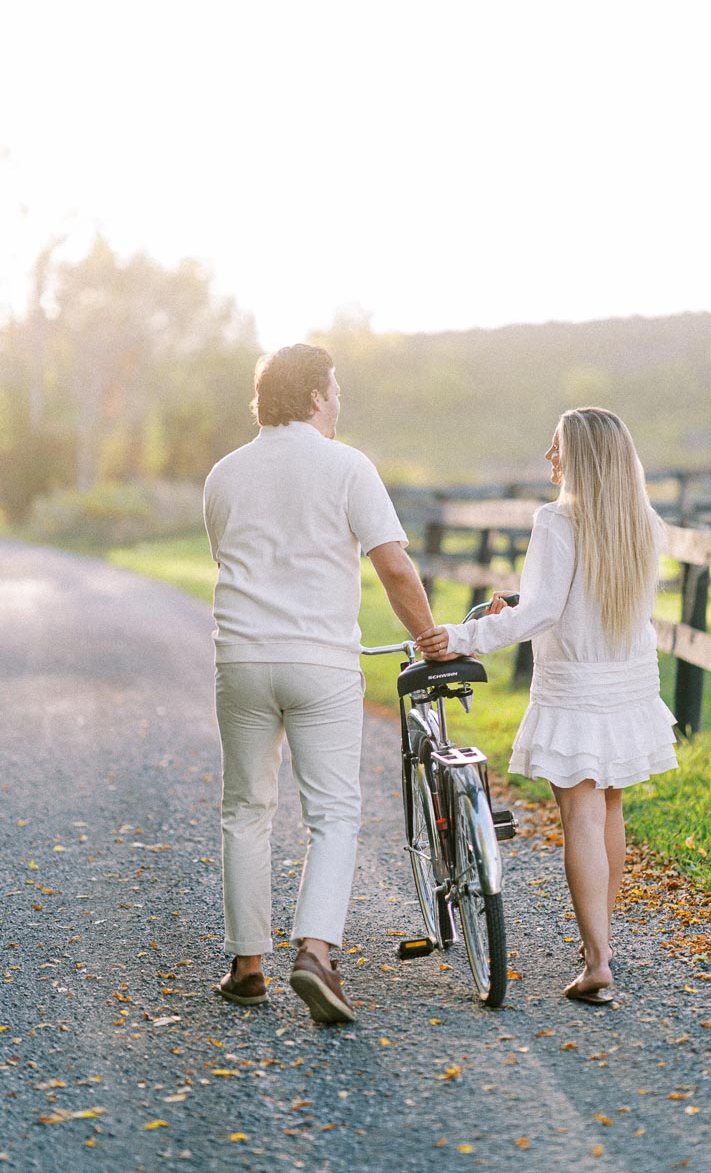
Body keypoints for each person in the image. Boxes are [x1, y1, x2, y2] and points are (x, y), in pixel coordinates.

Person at [203, 343, 435, 1024]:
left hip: (242, 657)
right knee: (332, 813)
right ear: (312, 397)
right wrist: (428, 636)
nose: (339, 403)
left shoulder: (224, 474)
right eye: (333, 391)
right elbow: (394, 567)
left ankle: (248, 967)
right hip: (321, 661)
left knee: (245, 809)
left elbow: (226, 557)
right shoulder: (347, 467)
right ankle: (315, 955)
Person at [415, 407, 677, 1004]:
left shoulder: (557, 521)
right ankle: (601, 948)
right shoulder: (643, 521)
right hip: (628, 684)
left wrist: (460, 637)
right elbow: (588, 600)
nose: (548, 457)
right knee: (610, 811)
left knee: (581, 818)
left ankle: (598, 961)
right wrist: (525, 603)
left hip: (578, 688)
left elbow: (542, 613)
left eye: (557, 446)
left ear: (582, 456)